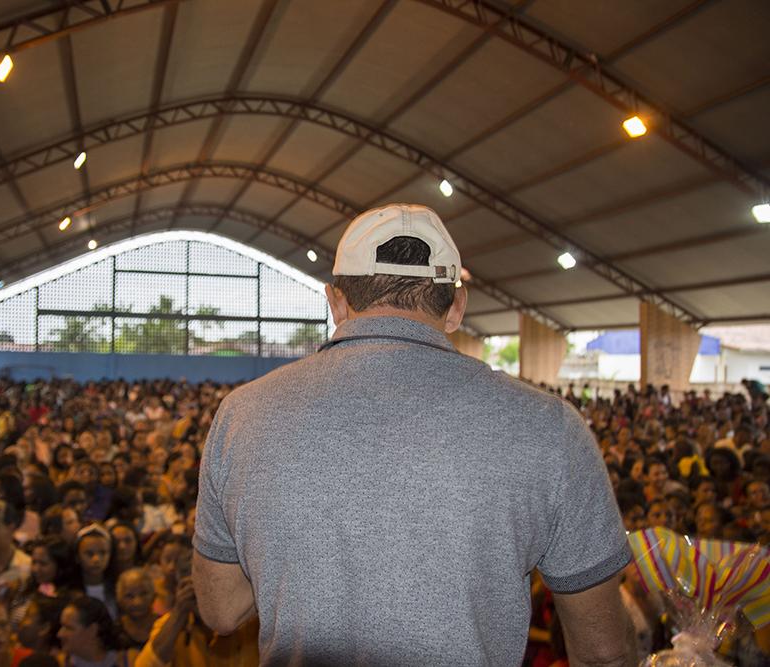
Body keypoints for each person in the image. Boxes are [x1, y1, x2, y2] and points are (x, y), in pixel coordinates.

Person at [191, 204, 634, 665]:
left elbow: (221, 609)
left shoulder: (242, 414)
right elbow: (603, 652)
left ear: (336, 302)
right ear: (457, 307)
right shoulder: (550, 426)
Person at [58, 596, 126, 667]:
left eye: (69, 628)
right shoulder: (58, 663)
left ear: (92, 630)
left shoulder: (129, 661)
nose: (60, 634)